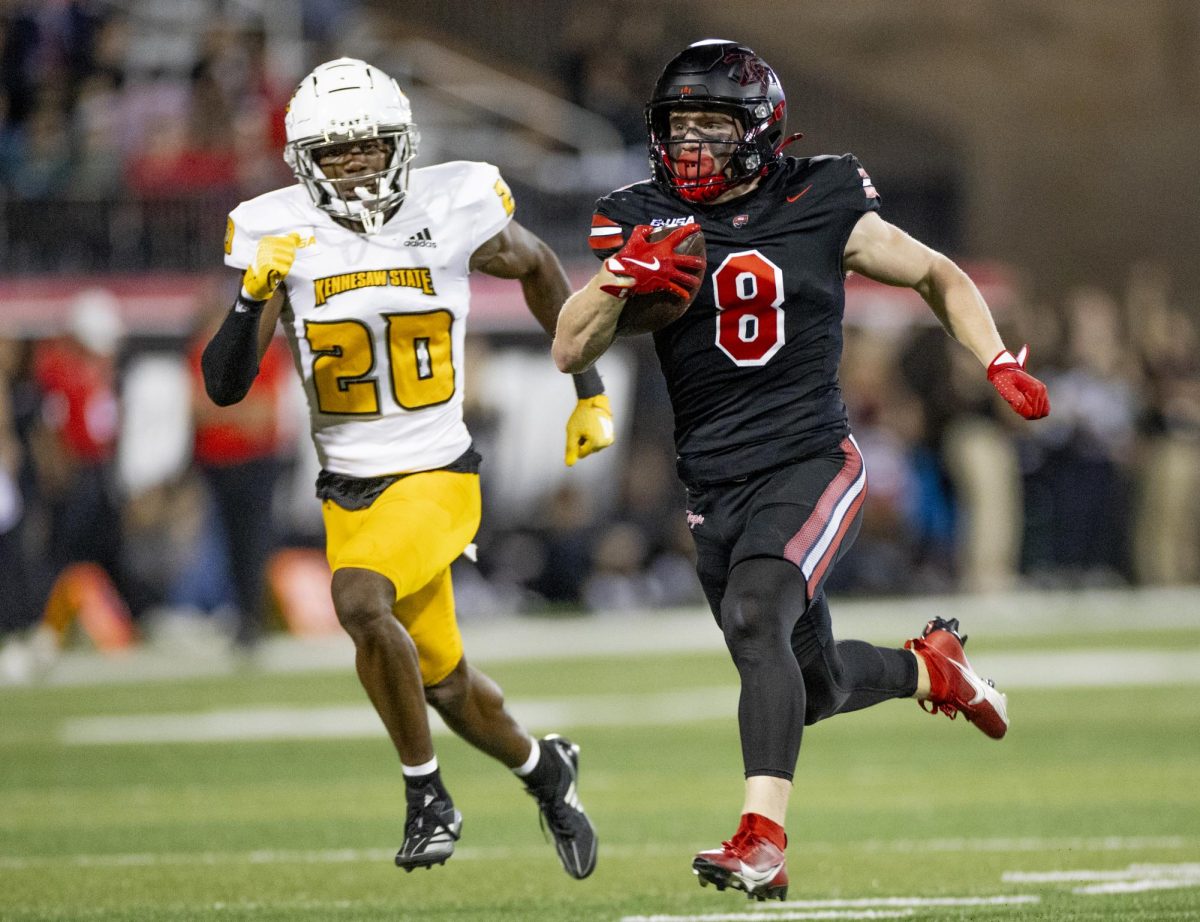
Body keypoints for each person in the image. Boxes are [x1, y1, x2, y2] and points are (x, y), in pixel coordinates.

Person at [553, 40, 1050, 901]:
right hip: (713, 479)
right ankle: (936, 669)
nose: (692, 144)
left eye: (712, 123)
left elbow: (932, 272)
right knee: (810, 686)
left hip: (813, 457)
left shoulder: (820, 197)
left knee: (757, 616)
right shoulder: (646, 213)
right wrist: (618, 281)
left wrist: (995, 356)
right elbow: (568, 346)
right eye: (680, 126)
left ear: (758, 129)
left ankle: (762, 838)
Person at [202, 58, 606, 878]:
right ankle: (544, 768)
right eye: (336, 153)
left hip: (438, 472)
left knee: (356, 601)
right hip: (349, 491)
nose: (353, 165)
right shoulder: (279, 232)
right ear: (302, 160)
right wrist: (252, 297)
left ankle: (428, 795)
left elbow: (536, 265)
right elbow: (224, 385)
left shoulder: (452, 207)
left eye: (369, 147)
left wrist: (586, 386)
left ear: (403, 145)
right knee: (447, 686)